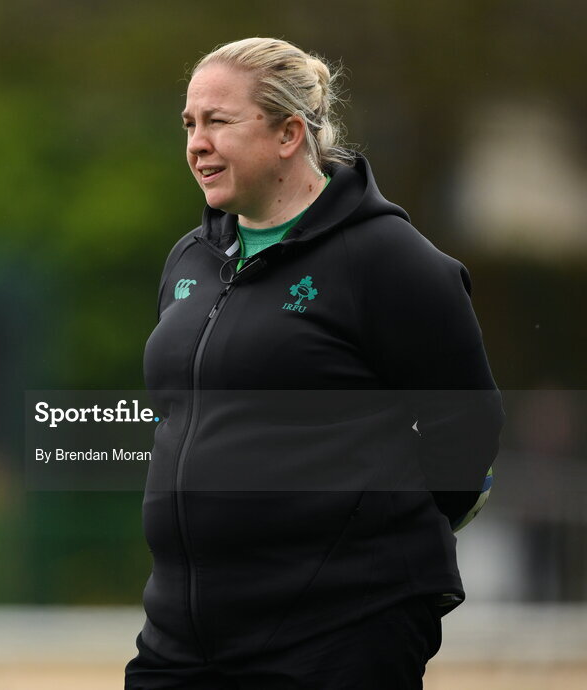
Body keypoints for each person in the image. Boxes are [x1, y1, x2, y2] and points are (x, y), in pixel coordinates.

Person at [125, 37, 503, 689]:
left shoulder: (389, 259)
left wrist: (364, 537)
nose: (196, 143)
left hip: (338, 635)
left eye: (218, 121)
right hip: (182, 639)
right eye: (189, 124)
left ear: (288, 134)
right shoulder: (189, 259)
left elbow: (466, 432)